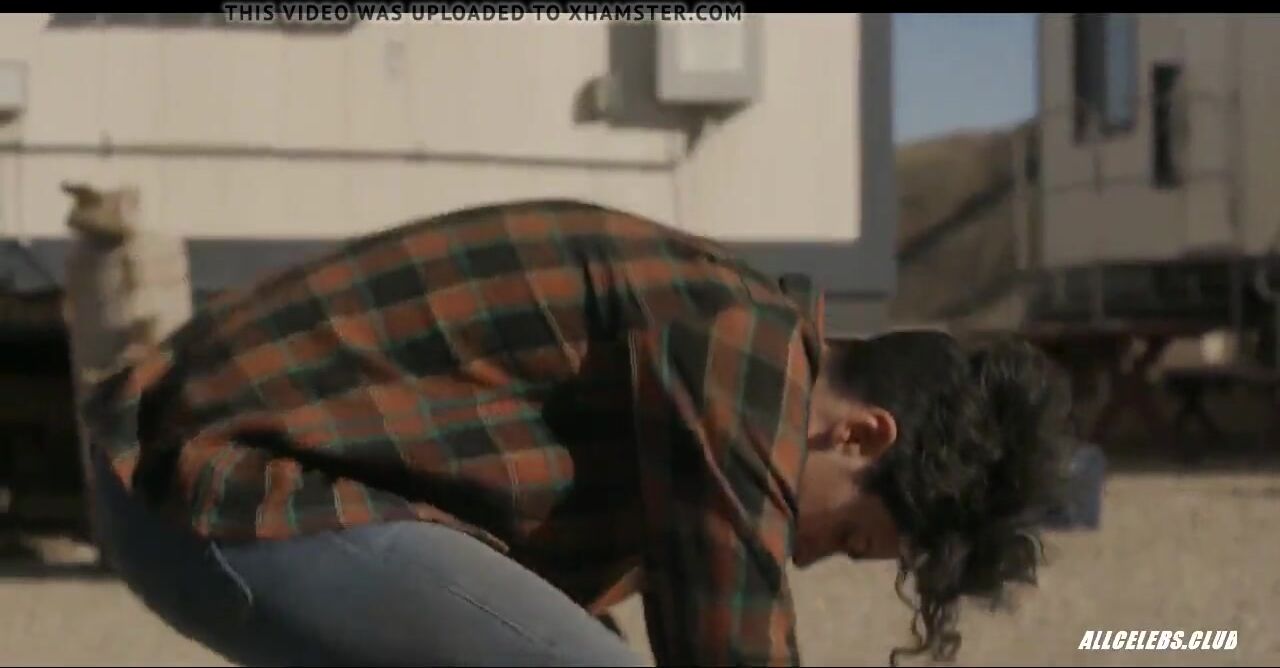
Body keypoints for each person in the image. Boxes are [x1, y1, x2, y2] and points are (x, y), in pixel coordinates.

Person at [79, 199, 1072, 667]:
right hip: (216, 488)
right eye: (849, 535)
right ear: (856, 436)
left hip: (219, 489)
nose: (807, 556)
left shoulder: (726, 334)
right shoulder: (743, 351)